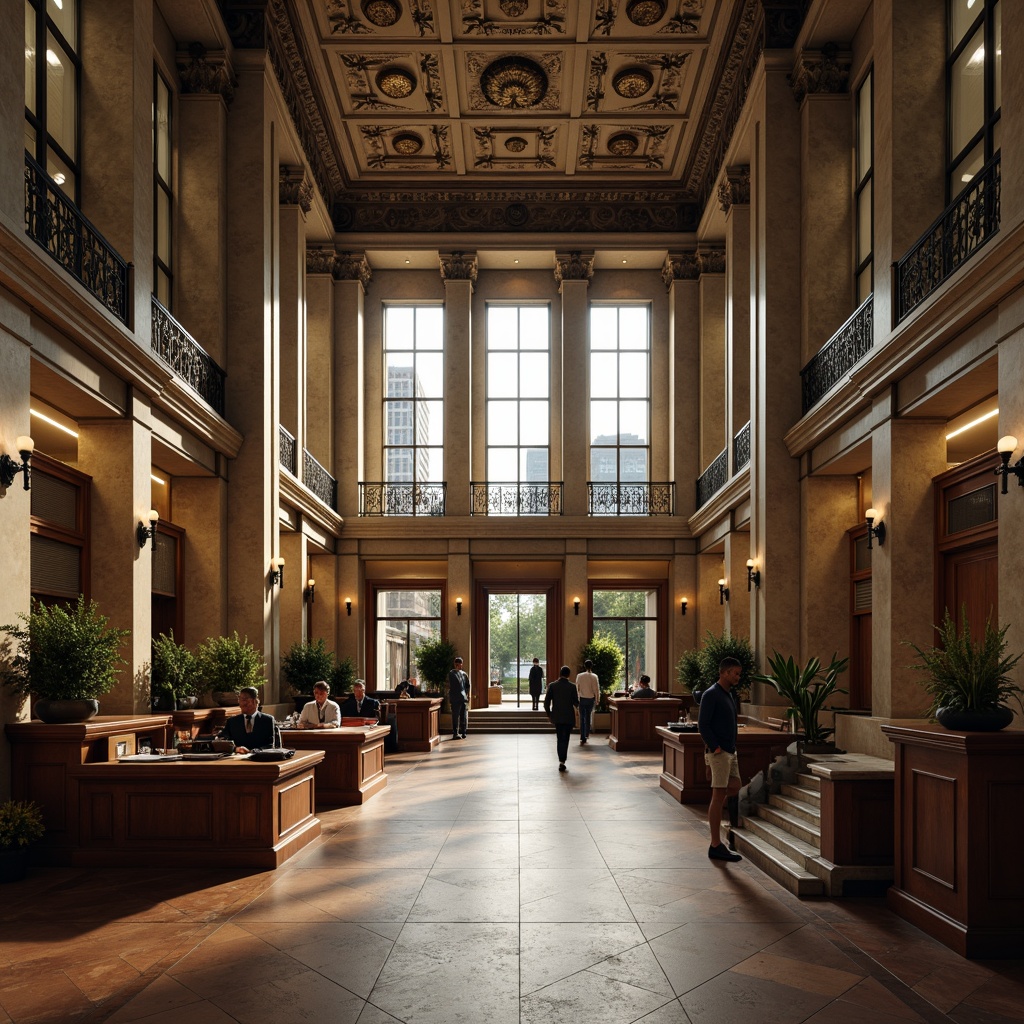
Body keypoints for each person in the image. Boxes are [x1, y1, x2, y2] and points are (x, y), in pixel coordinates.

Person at [697, 656, 744, 862]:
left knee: (734, 786)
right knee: (718, 796)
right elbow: (703, 725)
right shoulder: (711, 694)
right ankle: (715, 845)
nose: (737, 677)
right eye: (735, 673)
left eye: (738, 674)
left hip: (730, 752)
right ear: (724, 673)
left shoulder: (729, 694)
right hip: (720, 752)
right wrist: (714, 749)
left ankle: (714, 817)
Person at [220, 686, 278, 753]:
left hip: (260, 759)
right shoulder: (232, 722)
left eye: (244, 700)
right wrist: (236, 749)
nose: (241, 703)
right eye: (239, 699)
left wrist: (253, 751)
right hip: (237, 760)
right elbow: (223, 742)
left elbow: (271, 745)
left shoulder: (267, 720)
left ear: (255, 701)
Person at [544, 665, 579, 772]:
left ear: (560, 674)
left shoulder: (552, 686)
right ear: (568, 675)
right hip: (568, 717)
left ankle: (561, 760)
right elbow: (576, 703)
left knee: (560, 738)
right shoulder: (572, 687)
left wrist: (550, 714)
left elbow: (546, 703)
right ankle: (563, 760)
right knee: (566, 738)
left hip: (557, 716)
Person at [574, 659, 600, 746]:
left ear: (584, 666)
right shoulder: (594, 676)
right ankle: (587, 734)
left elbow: (577, 688)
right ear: (591, 666)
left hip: (582, 699)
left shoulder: (579, 676)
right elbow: (596, 689)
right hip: (590, 699)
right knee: (588, 716)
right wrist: (597, 699)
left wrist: (577, 698)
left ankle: (582, 736)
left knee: (582, 718)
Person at [448, 656, 470, 739]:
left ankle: (463, 731)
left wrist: (467, 695)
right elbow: (454, 683)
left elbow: (467, 686)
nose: (458, 665)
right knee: (456, 716)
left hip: (462, 698)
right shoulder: (452, 673)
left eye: (459, 664)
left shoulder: (464, 674)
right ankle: (456, 733)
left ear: (461, 664)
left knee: (463, 715)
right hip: (456, 698)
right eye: (456, 664)